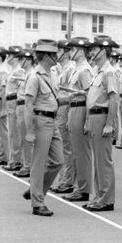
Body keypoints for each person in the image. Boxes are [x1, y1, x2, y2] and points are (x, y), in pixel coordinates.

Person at [22, 39, 70, 217]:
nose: (57, 56)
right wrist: (30, 131)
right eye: (54, 53)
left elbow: (53, 100)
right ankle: (37, 203)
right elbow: (28, 105)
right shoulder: (34, 76)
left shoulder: (51, 75)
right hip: (41, 122)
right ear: (46, 55)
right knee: (38, 163)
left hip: (53, 121)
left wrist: (71, 99)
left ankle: (36, 189)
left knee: (58, 161)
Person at [82, 35, 119, 212]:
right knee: (97, 160)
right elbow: (91, 99)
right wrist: (89, 120)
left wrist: (110, 123)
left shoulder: (109, 72)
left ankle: (106, 200)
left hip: (103, 117)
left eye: (94, 50)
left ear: (103, 51)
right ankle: (99, 197)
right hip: (95, 117)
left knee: (103, 161)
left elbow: (113, 98)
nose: (91, 53)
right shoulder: (98, 71)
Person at [61, 37, 94, 202]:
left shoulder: (85, 70)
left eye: (72, 50)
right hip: (74, 109)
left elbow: (89, 95)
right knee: (76, 152)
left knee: (82, 152)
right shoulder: (76, 69)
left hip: (81, 109)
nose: (69, 52)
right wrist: (68, 117)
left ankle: (83, 189)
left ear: (81, 51)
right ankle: (78, 186)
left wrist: (88, 120)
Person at [49, 40, 76, 193]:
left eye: (58, 51)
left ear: (65, 52)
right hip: (61, 107)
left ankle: (67, 181)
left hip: (66, 108)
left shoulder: (70, 68)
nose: (56, 54)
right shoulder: (62, 68)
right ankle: (64, 179)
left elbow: (72, 94)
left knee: (67, 147)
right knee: (63, 146)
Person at [13, 49, 35, 178]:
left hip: (25, 107)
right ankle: (25, 164)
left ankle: (27, 166)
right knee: (22, 138)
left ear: (28, 60)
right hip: (20, 106)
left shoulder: (31, 74)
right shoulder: (26, 74)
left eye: (21, 59)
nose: (19, 61)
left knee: (27, 139)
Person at [2, 46, 25, 171]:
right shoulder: (13, 70)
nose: (7, 58)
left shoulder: (19, 71)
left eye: (9, 55)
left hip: (15, 101)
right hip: (10, 102)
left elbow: (20, 89)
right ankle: (14, 159)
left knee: (15, 133)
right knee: (12, 132)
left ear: (15, 57)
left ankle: (16, 161)